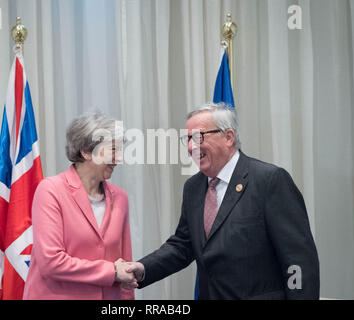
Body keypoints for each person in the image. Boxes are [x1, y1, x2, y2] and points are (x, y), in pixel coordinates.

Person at [124, 102, 320, 299]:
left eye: (198, 137)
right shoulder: (193, 188)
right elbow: (183, 245)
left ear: (228, 137)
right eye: (187, 139)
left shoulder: (269, 180)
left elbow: (298, 260)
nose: (191, 146)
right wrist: (142, 268)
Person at [23, 112, 135, 300]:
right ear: (86, 151)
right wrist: (111, 272)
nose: (119, 158)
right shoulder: (50, 191)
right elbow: (51, 262)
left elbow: (125, 267)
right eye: (112, 150)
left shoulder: (120, 197)